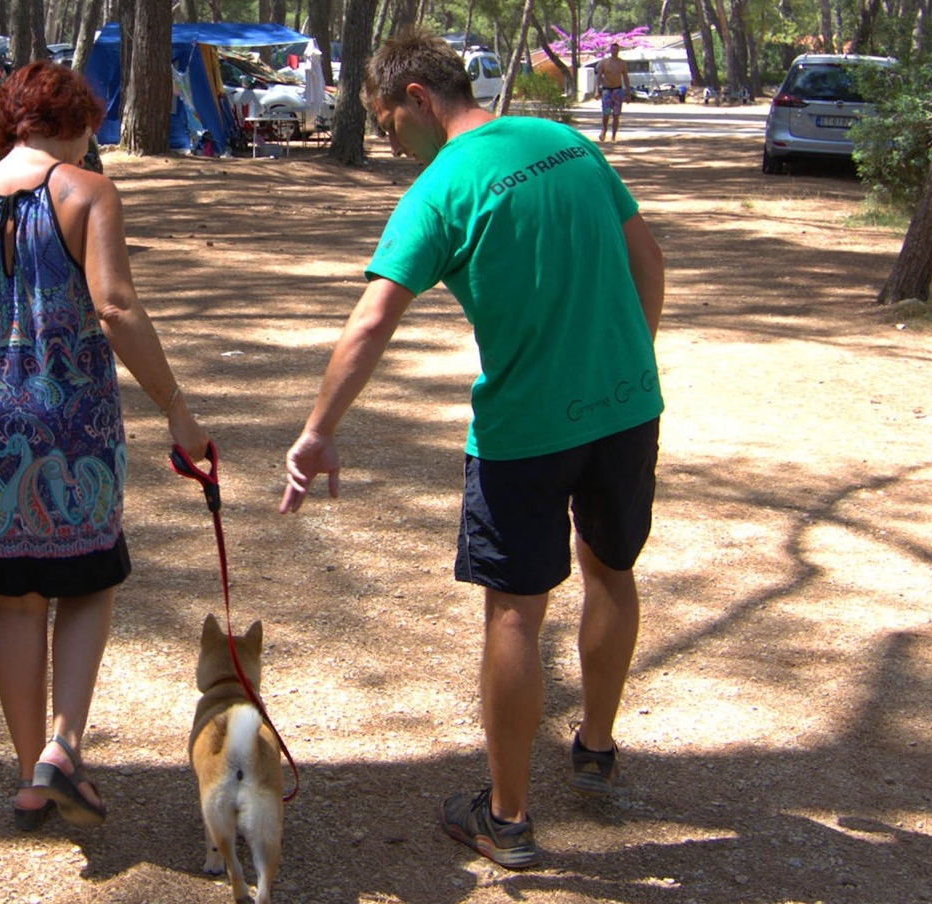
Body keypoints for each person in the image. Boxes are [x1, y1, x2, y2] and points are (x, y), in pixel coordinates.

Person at [277, 30, 664, 869]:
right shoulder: (565, 142)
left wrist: (318, 431)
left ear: (417, 98)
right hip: (628, 408)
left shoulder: (439, 188)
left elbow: (373, 319)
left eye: (388, 127)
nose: (392, 146)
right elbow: (648, 259)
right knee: (610, 570)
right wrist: (635, 358)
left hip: (525, 432)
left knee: (517, 610)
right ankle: (595, 749)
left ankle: (509, 817)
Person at [0, 61, 210, 832]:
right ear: (75, 123)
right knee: (84, 582)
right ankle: (64, 747)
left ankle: (27, 779)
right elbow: (114, 306)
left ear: (12, 124)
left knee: (16, 600)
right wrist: (177, 409)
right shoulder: (88, 192)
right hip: (68, 423)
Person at [594, 43, 631, 141]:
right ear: (610, 50)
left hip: (618, 90)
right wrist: (597, 90)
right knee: (606, 114)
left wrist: (628, 93)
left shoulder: (622, 63)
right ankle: (604, 131)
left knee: (616, 114)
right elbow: (598, 77)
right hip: (607, 90)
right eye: (613, 49)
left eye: (617, 50)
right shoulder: (604, 62)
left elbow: (626, 78)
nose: (615, 51)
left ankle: (614, 136)